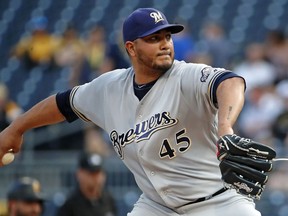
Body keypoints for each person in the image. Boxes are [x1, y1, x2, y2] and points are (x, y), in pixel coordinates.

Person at [0, 8, 275, 216]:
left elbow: (230, 82)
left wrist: (225, 126)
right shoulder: (109, 88)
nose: (165, 43)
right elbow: (62, 103)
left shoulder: (185, 75)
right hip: (157, 206)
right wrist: (16, 128)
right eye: (154, 38)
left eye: (167, 36)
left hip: (218, 201)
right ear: (131, 48)